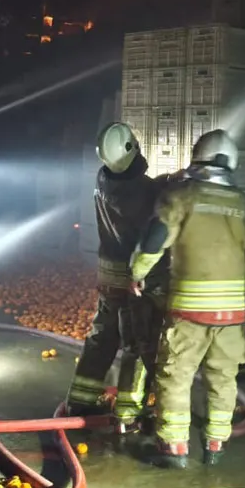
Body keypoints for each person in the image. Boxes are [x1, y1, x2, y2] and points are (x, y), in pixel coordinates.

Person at [129, 129, 245, 468]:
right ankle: (216, 446)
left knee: (175, 376)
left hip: (189, 312)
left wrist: (137, 273)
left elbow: (154, 240)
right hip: (231, 314)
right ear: (232, 162)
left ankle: (175, 448)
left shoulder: (180, 197)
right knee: (223, 378)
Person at [66, 123, 174, 433]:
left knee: (102, 337)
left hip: (107, 274)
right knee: (137, 342)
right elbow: (155, 200)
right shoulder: (142, 191)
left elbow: (142, 185)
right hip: (134, 279)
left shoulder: (104, 179)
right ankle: (128, 412)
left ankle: (80, 399)